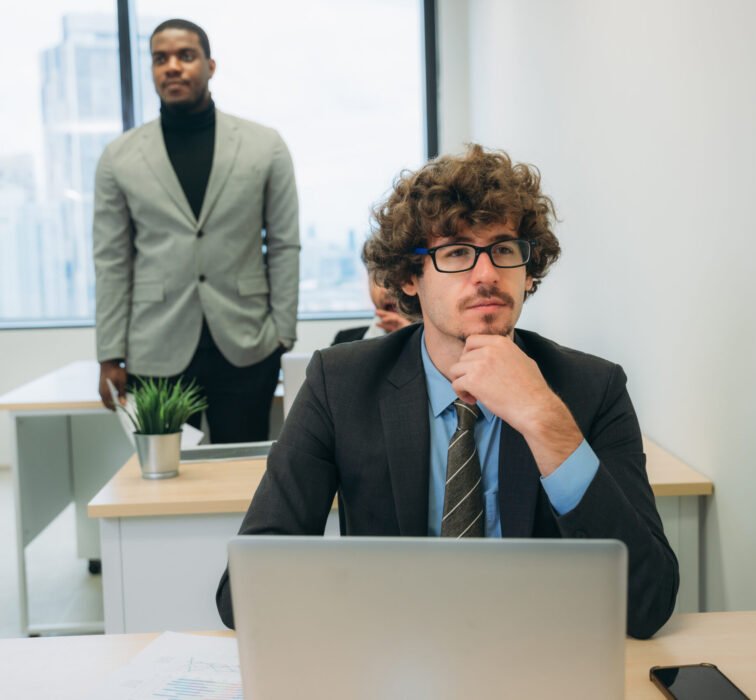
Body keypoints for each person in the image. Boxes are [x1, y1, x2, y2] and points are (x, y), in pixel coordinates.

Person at [216, 144, 678, 638]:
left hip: (539, 659)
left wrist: (545, 420)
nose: (487, 274)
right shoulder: (340, 384)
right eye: (456, 252)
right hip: (395, 660)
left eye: (504, 249)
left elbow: (648, 604)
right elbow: (242, 595)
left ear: (528, 270)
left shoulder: (591, 388)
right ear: (409, 278)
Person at [93, 18, 299, 443]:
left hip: (247, 344)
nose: (172, 67)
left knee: (243, 478)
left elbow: (283, 243)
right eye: (159, 58)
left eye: (186, 56)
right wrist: (110, 354)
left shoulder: (265, 146)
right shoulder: (119, 158)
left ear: (210, 65)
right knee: (163, 483)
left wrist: (282, 331)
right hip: (154, 347)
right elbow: (112, 259)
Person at [331, 266, 413, 345]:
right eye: (379, 278)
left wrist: (413, 340)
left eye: (400, 278)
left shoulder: (421, 346)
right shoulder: (343, 342)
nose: (388, 291)